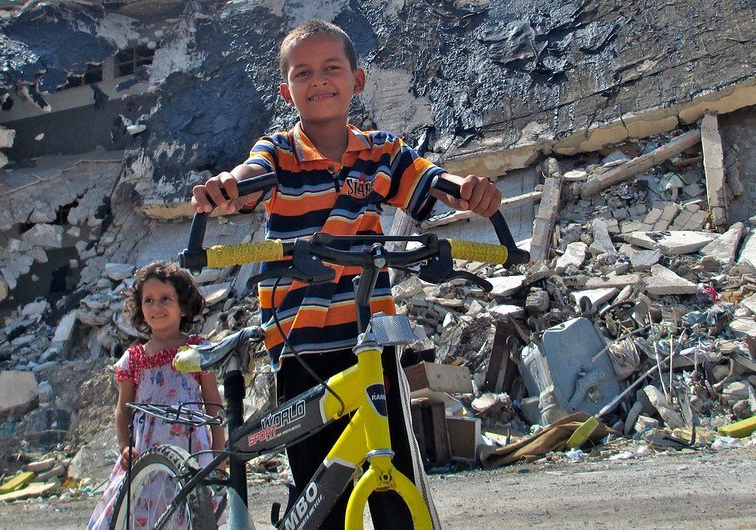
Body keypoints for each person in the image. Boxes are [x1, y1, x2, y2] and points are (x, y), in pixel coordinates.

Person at [191, 19, 501, 529]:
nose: (319, 81)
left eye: (332, 68)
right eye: (304, 73)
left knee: (395, 479)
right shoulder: (279, 154)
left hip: (373, 339)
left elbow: (432, 182)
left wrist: (468, 190)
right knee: (321, 494)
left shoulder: (381, 153)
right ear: (286, 90)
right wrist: (228, 185)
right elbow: (249, 179)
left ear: (357, 79)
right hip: (300, 345)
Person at [87, 261, 224, 529]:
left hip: (191, 455)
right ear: (140, 308)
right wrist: (125, 447)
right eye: (148, 300)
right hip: (145, 458)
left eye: (165, 299)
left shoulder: (197, 350)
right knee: (138, 515)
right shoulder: (134, 358)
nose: (156, 306)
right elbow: (122, 410)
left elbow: (213, 407)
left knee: (193, 514)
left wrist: (219, 456)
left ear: (183, 306)